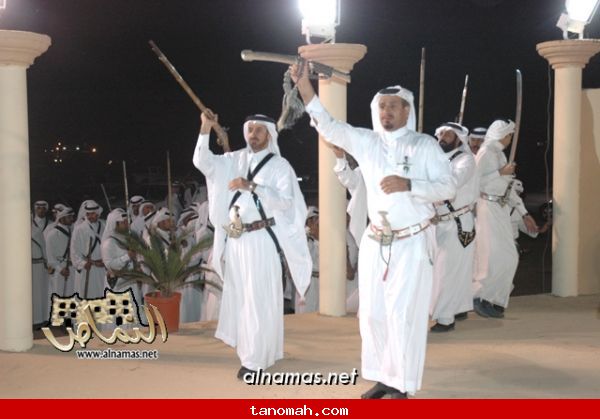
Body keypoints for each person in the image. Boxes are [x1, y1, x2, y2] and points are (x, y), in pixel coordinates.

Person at [292, 62, 456, 398]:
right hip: (375, 242)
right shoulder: (367, 142)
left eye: (393, 106)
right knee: (373, 313)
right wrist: (305, 88)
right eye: (382, 106)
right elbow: (330, 127)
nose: (387, 112)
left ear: (406, 110)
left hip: (410, 242)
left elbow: (448, 187)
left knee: (402, 314)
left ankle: (403, 384)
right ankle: (384, 375)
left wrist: (410, 183)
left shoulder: (425, 145)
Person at [193, 110, 311, 380]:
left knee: (258, 299)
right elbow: (203, 162)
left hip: (261, 240)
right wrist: (205, 129)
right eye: (250, 129)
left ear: (269, 134)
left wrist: (253, 186)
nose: (253, 134)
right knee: (241, 298)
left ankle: (255, 360)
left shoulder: (281, 167)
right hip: (237, 240)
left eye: (259, 130)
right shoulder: (233, 159)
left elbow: (287, 203)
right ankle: (259, 352)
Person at [473, 120, 538, 318]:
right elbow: (474, 182)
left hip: (500, 208)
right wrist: (499, 173)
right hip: (487, 208)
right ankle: (480, 297)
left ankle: (496, 297)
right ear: (502, 134)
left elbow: (508, 188)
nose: (510, 138)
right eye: (509, 134)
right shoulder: (485, 153)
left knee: (509, 256)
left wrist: (525, 213)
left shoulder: (499, 154)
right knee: (491, 257)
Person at [429, 123, 478, 332]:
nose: (442, 138)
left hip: (459, 223)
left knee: (448, 271)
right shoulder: (440, 160)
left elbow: (451, 184)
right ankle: (458, 307)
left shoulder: (465, 160)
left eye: (448, 135)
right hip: (441, 223)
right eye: (440, 134)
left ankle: (445, 318)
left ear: (459, 138)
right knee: (451, 270)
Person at [101, 208, 143, 318]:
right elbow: (109, 265)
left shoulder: (128, 239)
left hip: (130, 281)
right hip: (118, 284)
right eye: (123, 223)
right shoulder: (109, 243)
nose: (126, 225)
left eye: (127, 222)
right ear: (115, 224)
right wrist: (127, 256)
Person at [70, 200, 106, 299]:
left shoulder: (104, 226)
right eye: (88, 214)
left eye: (93, 214)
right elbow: (74, 251)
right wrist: (83, 263)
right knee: (87, 296)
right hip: (87, 269)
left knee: (102, 295)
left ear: (98, 213)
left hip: (102, 268)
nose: (90, 216)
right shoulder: (79, 229)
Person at [45, 206, 76, 299]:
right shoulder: (52, 234)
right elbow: (50, 257)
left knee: (73, 298)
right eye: (69, 217)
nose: (72, 219)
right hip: (60, 272)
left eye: (72, 216)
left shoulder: (73, 231)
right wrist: (60, 269)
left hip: (73, 270)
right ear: (62, 218)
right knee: (60, 298)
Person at [296, 206, 319, 314]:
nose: (317, 224)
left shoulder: (322, 236)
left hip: (320, 282)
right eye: (315, 220)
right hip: (308, 281)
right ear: (308, 221)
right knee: (305, 314)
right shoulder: (302, 237)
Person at [31, 200, 50, 326]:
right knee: (33, 292)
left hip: (45, 263)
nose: (41, 210)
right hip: (32, 265)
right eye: (38, 208)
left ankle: (44, 318)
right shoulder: (29, 224)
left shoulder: (52, 224)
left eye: (43, 208)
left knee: (45, 291)